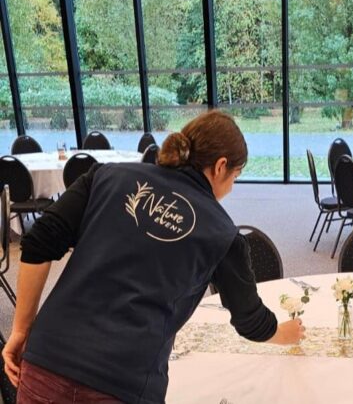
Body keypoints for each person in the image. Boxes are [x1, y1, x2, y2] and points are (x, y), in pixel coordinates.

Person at [2, 110, 304, 403]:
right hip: (123, 382)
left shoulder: (107, 176)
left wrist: (20, 330)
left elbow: (39, 242)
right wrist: (282, 332)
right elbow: (249, 320)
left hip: (46, 361)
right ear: (221, 166)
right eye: (236, 176)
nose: (232, 186)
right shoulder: (223, 233)